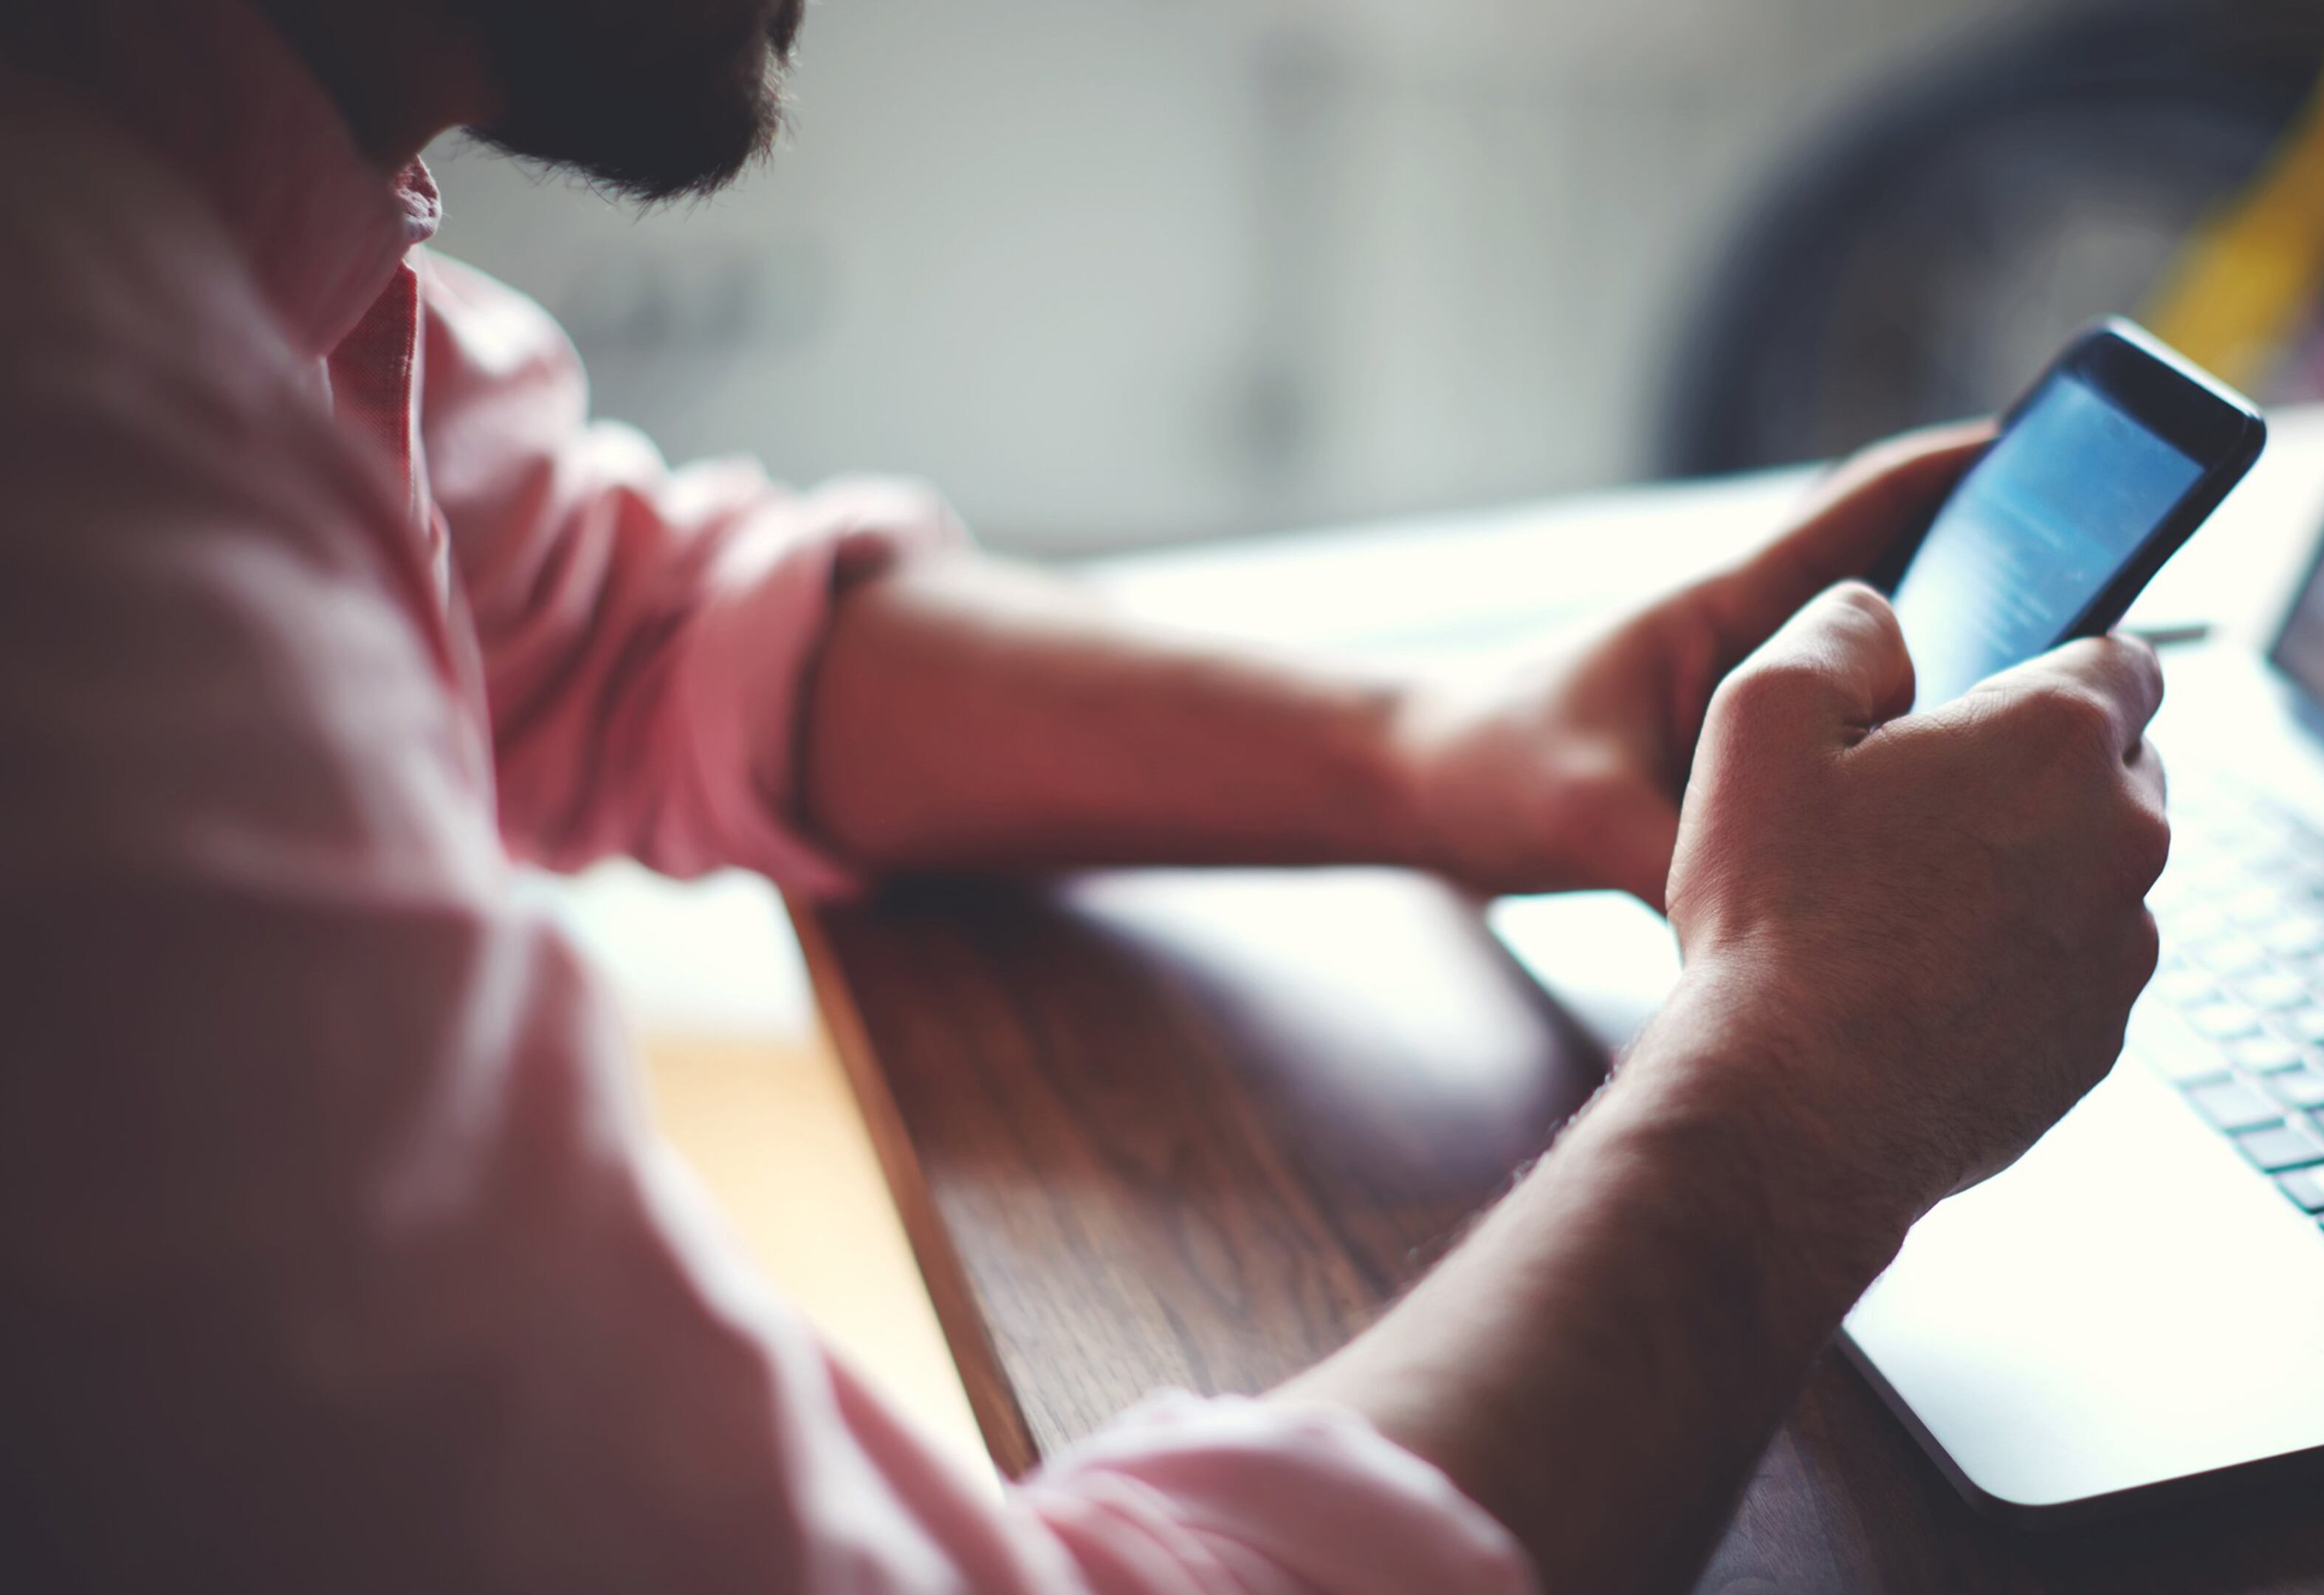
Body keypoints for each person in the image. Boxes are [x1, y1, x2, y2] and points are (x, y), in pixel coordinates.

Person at [0, 1, 2170, 1590]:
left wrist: (1455, 752)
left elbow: (598, 620)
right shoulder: (72, 460)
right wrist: (1798, 1106)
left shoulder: (169, 189)